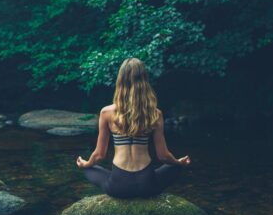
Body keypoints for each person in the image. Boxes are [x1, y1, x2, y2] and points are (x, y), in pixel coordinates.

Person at [76, 57, 191, 199]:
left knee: (89, 169)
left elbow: (99, 155)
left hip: (119, 186)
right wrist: (177, 162)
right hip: (147, 185)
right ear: (144, 82)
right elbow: (163, 156)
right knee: (176, 166)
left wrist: (86, 164)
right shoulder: (155, 113)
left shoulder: (106, 112)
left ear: (120, 81)